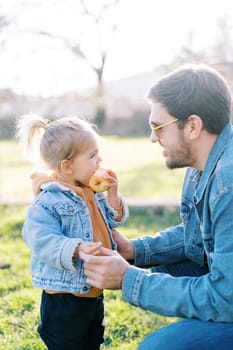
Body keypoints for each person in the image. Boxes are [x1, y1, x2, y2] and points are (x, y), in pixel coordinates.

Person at [80, 64, 233, 349]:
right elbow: (197, 235)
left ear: (192, 126)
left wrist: (128, 279)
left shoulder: (228, 184)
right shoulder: (203, 162)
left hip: (228, 297)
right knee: (164, 264)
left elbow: (226, 298)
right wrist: (135, 251)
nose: (152, 138)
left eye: (157, 127)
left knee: (156, 348)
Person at [16, 114, 128, 350]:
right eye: (92, 156)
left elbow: (113, 219)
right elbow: (39, 239)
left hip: (92, 290)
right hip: (64, 296)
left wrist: (113, 196)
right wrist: (75, 248)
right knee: (66, 343)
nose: (100, 160)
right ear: (67, 166)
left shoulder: (91, 190)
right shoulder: (48, 200)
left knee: (92, 340)